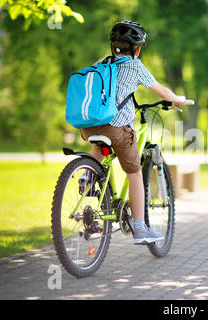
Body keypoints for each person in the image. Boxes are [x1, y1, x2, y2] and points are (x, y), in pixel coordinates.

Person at [79, 20, 187, 244]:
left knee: (100, 143)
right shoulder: (135, 66)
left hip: (88, 127)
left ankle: (87, 175)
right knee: (134, 172)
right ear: (137, 49)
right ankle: (139, 227)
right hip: (118, 129)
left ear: (112, 47)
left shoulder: (102, 64)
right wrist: (177, 100)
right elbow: (162, 90)